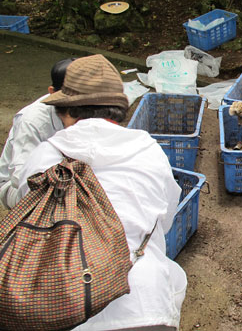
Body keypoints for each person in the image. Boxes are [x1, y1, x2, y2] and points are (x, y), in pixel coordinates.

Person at [16, 54, 187, 330]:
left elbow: (28, 224)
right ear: (117, 109)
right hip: (144, 306)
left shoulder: (45, 155)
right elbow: (164, 219)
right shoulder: (148, 149)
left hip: (60, 305)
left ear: (65, 109)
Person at [0, 58, 74, 209]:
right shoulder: (32, 121)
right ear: (52, 93)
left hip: (66, 177)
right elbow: (22, 178)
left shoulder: (91, 109)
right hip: (16, 186)